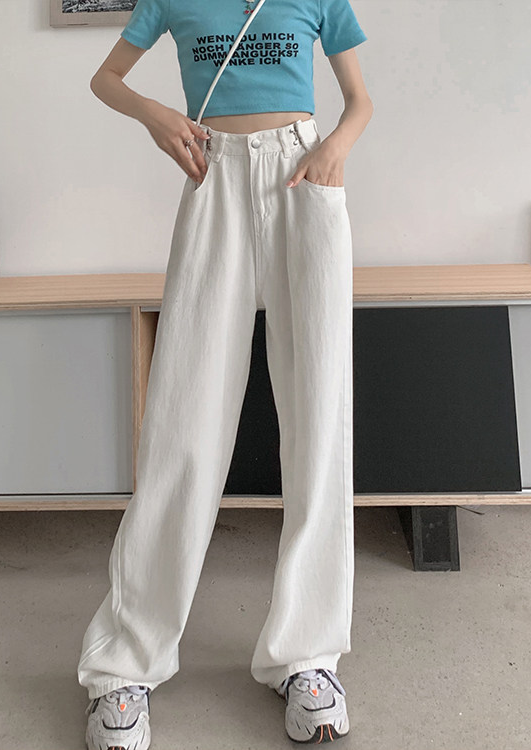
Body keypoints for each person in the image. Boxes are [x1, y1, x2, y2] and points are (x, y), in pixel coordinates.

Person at [79, 1, 372, 747]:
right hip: (215, 176)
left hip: (305, 176)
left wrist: (336, 146)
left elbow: (360, 101)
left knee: (319, 416)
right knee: (184, 422)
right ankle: (125, 662)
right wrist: (155, 115)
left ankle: (308, 657)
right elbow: (106, 79)